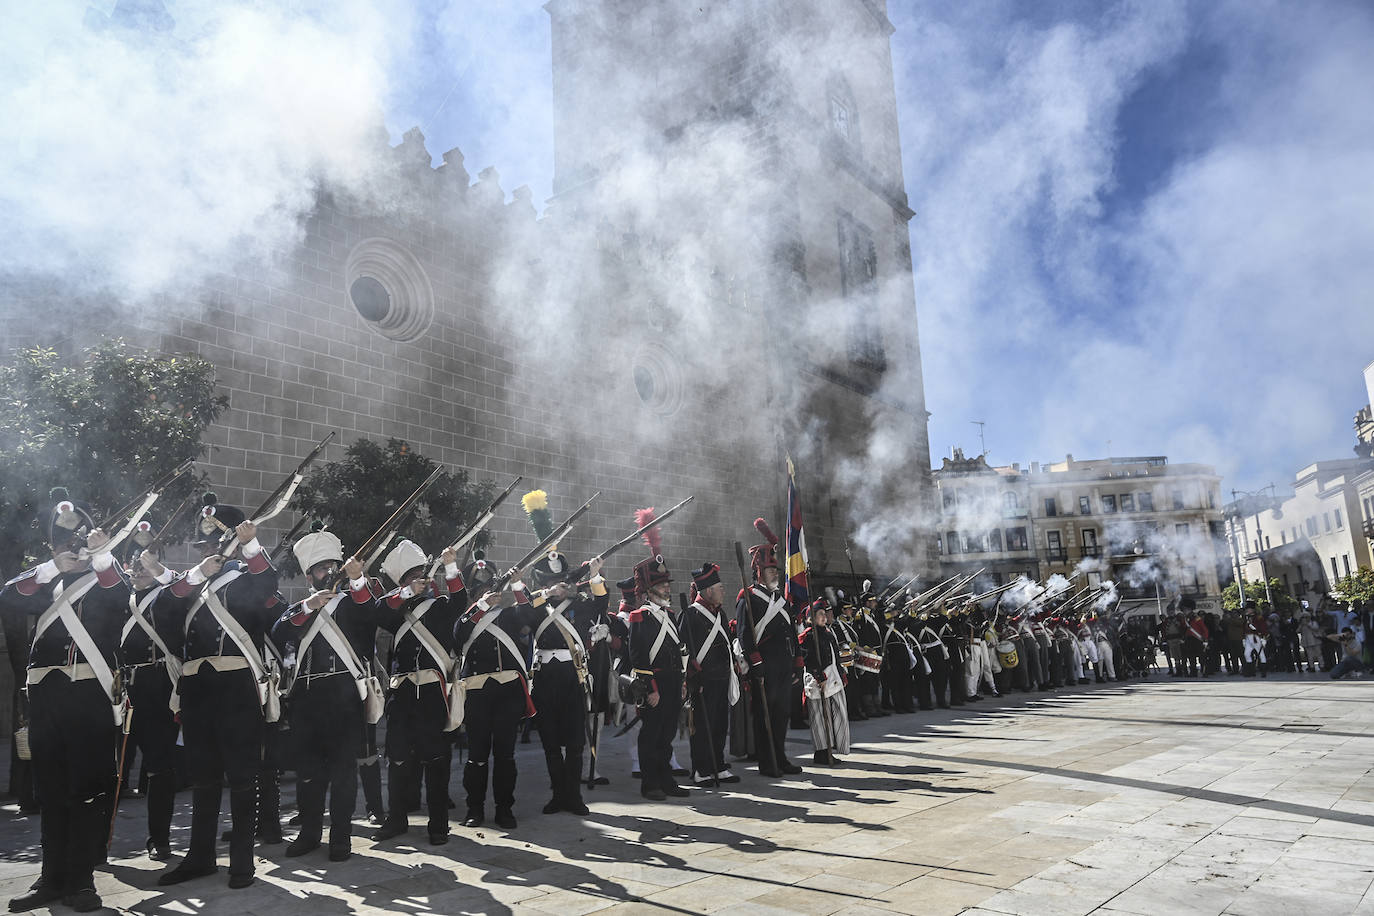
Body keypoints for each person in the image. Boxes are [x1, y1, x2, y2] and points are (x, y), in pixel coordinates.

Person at [1, 491, 127, 913]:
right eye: (60, 543)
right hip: (46, 694)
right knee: (51, 791)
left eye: (72, 542)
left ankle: (82, 881)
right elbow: (10, 595)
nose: (67, 549)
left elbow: (117, 598)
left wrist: (102, 555)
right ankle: (51, 879)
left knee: (88, 789)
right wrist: (55, 566)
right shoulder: (46, 579)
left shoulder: (106, 575)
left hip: (88, 691)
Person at [158, 494, 279, 890]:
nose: (206, 551)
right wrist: (194, 576)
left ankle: (242, 860)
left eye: (212, 544)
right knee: (204, 777)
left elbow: (267, 583)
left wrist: (249, 544)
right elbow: (164, 614)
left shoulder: (246, 576)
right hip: (196, 690)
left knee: (243, 777)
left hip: (235, 687)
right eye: (203, 546)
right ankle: (200, 856)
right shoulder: (191, 584)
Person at [372, 540, 466, 845]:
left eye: (421, 573)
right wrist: (407, 592)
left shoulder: (439, 606)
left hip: (431, 692)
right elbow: (378, 612)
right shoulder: (395, 608)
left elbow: (460, 601)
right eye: (412, 576)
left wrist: (451, 565)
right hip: (401, 692)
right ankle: (396, 819)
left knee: (436, 759)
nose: (420, 579)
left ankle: (438, 825)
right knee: (397, 758)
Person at [453, 571, 539, 829]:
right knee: (477, 756)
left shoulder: (510, 615)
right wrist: (481, 606)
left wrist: (516, 583)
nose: (489, 593)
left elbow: (530, 614)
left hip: (507, 692)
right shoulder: (469, 615)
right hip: (477, 693)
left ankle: (504, 808)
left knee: (505, 755)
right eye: (483, 590)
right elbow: (459, 635)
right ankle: (474, 809)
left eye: (491, 588)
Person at [120, 533, 185, 863]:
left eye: (146, 561)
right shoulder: (120, 599)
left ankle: (160, 838)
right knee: (112, 766)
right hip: (123, 690)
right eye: (134, 562)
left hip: (158, 686)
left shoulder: (169, 596)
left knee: (160, 767)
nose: (139, 567)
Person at [529, 544, 607, 818]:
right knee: (550, 742)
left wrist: (595, 575)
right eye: (554, 583)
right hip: (545, 677)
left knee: (575, 742)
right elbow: (523, 607)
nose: (561, 586)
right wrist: (546, 594)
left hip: (573, 675)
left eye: (563, 581)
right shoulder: (538, 606)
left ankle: (573, 796)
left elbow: (601, 603)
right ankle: (557, 794)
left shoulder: (581, 604)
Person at [628, 518, 690, 801]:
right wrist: (650, 688)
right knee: (651, 735)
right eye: (663, 586)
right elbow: (638, 656)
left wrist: (681, 683)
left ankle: (666, 780)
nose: (667, 589)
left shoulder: (670, 615)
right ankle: (650, 783)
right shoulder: (640, 616)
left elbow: (677, 653)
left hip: (672, 681)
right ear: (650, 590)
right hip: (654, 683)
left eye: (667, 585)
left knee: (666, 735)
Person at [736, 518, 803, 778]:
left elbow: (791, 633)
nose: (775, 574)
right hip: (764, 667)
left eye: (775, 570)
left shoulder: (781, 599)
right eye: (770, 570)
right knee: (764, 717)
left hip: (784, 666)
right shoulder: (749, 599)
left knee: (781, 714)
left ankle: (781, 757)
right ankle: (767, 762)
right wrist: (758, 666)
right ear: (758, 572)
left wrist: (797, 661)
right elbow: (744, 636)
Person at [682, 562, 738, 786]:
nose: (723, 591)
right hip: (703, 681)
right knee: (702, 727)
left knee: (719, 725)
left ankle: (718, 764)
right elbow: (684, 650)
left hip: (721, 677)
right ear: (708, 590)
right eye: (720, 587)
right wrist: (693, 678)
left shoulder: (720, 614)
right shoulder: (691, 615)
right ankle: (701, 769)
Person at [799, 599, 849, 767]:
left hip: (832, 679)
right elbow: (808, 659)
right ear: (810, 618)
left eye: (823, 614)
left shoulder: (827, 633)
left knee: (836, 716)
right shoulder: (808, 636)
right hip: (818, 681)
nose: (823, 617)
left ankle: (833, 749)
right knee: (819, 719)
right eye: (819, 614)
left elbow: (835, 656)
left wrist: (841, 673)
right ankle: (821, 753)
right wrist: (818, 677)